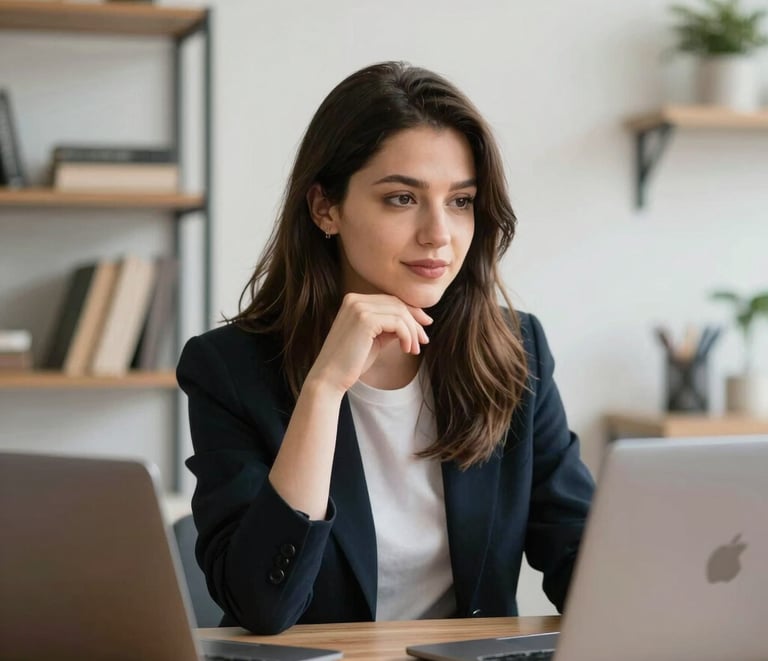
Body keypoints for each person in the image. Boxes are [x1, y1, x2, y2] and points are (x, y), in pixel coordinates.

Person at [177, 61, 595, 635]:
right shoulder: (229, 369)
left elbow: (580, 553)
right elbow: (261, 607)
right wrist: (323, 390)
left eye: (461, 201)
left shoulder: (515, 349)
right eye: (402, 198)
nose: (438, 235)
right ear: (326, 207)